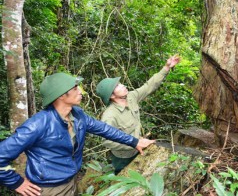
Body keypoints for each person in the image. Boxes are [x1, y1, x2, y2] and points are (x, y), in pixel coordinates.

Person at [0, 73, 155, 196]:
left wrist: (134, 142)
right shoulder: (38, 124)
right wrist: (16, 183)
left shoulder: (78, 115)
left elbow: (104, 129)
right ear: (60, 95)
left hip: (71, 181)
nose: (81, 91)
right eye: (75, 88)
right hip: (48, 189)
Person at [96, 55, 180, 174]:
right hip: (122, 157)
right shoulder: (110, 115)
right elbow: (106, 141)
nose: (123, 85)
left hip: (138, 150)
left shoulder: (131, 97)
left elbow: (149, 86)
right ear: (111, 96)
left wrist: (166, 68)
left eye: (120, 83)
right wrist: (133, 143)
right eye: (118, 86)